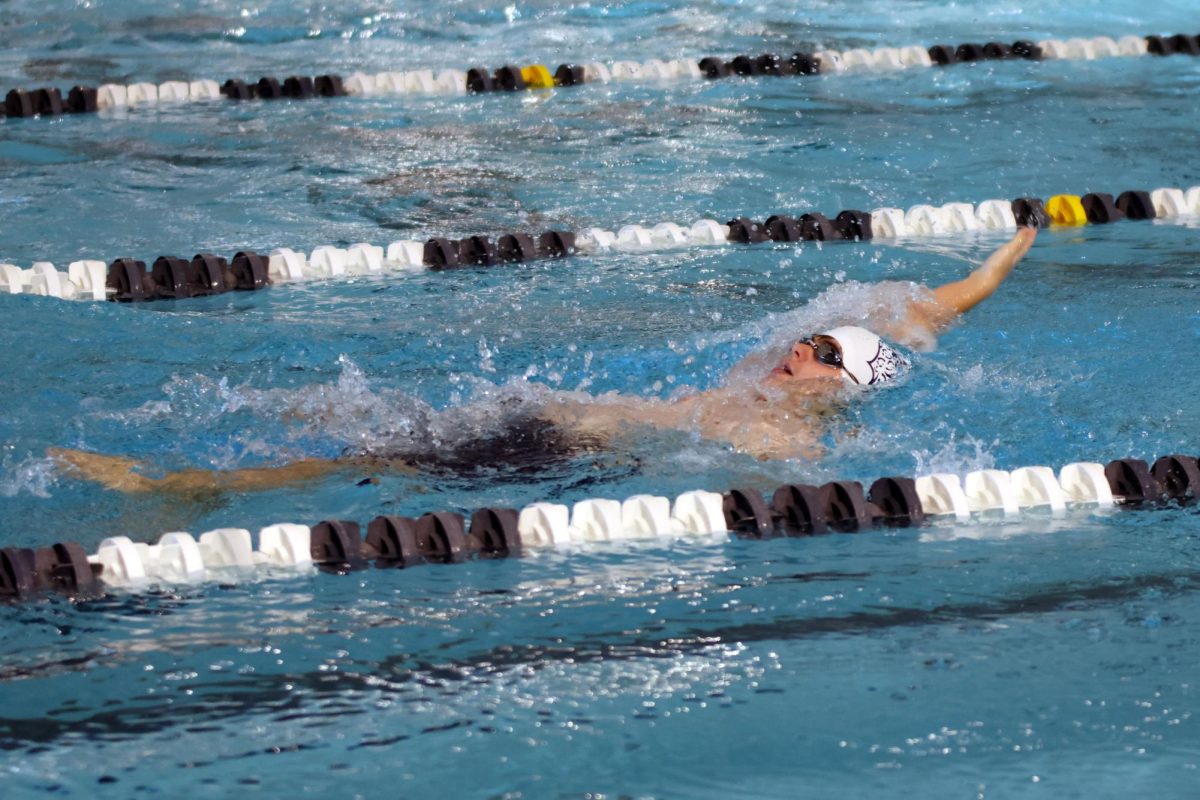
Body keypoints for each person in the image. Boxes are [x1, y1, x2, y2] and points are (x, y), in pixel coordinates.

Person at [54, 228, 1036, 494]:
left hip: (549, 450)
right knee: (341, 412)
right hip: (538, 421)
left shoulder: (792, 436)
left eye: (822, 353)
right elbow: (912, 311)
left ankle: (185, 488)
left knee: (367, 458)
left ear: (840, 389)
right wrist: (992, 269)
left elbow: (780, 491)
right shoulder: (769, 379)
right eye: (807, 337)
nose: (799, 345)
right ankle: (210, 465)